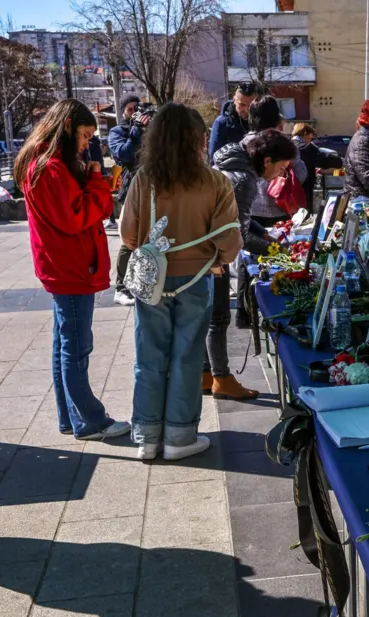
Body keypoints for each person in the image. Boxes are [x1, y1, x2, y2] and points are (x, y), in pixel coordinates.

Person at [119, 103, 243, 461]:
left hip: (152, 279)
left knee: (149, 356)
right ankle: (180, 436)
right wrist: (217, 261)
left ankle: (147, 437)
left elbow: (128, 235)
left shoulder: (144, 179)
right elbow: (229, 242)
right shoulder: (215, 181)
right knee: (188, 356)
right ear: (198, 139)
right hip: (197, 278)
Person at [14, 99, 129, 443]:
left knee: (65, 343)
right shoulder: (48, 167)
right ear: (66, 128)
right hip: (71, 267)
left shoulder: (47, 164)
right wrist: (97, 183)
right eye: (83, 135)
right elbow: (75, 217)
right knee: (76, 346)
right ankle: (90, 420)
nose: (85, 144)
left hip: (66, 265)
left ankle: (70, 417)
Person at [211, 129, 296, 399]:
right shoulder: (245, 178)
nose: (280, 175)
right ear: (267, 160)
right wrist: (279, 251)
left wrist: (262, 232)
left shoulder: (233, 161)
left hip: (206, 245)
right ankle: (221, 378)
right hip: (214, 252)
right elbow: (239, 234)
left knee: (210, 318)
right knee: (218, 318)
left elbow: (238, 214)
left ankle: (206, 373)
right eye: (281, 168)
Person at [108, 95, 156, 306]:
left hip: (155, 188)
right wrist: (136, 129)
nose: (135, 113)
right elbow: (124, 155)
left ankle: (145, 281)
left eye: (139, 109)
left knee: (152, 237)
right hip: (131, 191)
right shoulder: (118, 132)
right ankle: (121, 287)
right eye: (130, 110)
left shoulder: (151, 131)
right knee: (130, 240)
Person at [245, 95, 308, 225]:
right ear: (276, 117)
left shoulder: (243, 144)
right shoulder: (284, 143)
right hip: (280, 208)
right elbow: (301, 175)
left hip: (249, 211)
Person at [292, 122, 342, 210]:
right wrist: (342, 161)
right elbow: (324, 159)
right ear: (305, 134)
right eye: (311, 136)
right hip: (303, 190)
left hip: (287, 191)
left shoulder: (288, 144)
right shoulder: (306, 147)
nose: (312, 140)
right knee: (303, 216)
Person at [208, 81, 258, 160]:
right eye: (242, 105)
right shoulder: (221, 123)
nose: (247, 110)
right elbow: (213, 159)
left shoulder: (259, 121)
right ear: (234, 100)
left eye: (251, 105)